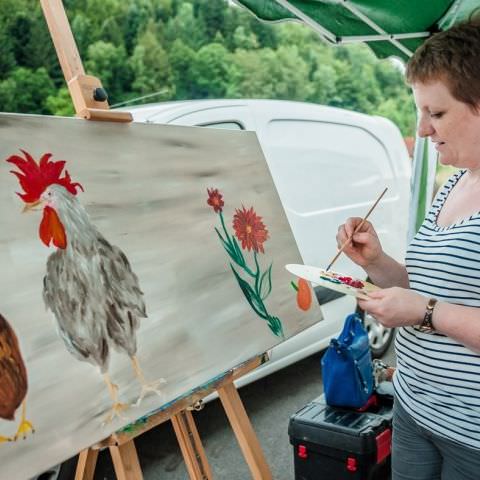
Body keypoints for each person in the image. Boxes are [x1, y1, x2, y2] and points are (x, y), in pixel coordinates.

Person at [336, 20, 480, 480]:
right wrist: (376, 262)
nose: (421, 130)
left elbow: (426, 304)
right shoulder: (455, 179)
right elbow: (423, 287)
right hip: (415, 409)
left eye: (435, 114)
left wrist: (424, 312)